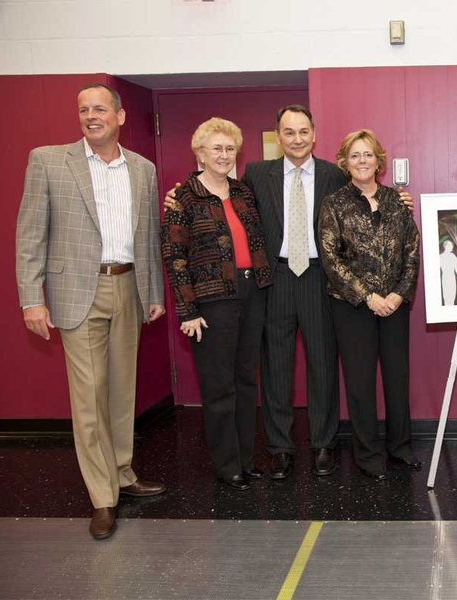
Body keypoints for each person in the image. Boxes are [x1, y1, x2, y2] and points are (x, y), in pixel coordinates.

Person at [165, 105, 412, 479]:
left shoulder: (332, 174)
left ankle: (324, 444)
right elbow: (216, 191)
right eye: (288, 132)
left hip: (321, 277)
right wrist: (180, 192)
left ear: (314, 135)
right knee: (276, 365)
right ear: (278, 137)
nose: (296, 139)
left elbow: (365, 201)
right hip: (273, 279)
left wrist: (401, 199)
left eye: (303, 132)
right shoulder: (256, 173)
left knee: (323, 364)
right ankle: (280, 447)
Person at [15, 83, 166, 540]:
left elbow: (148, 236)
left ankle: (122, 472)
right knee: (89, 397)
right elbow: (29, 234)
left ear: (120, 116)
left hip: (128, 286)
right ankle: (102, 497)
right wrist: (30, 297)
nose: (91, 115)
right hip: (77, 291)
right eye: (84, 110)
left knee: (122, 390)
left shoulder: (142, 168)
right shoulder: (48, 160)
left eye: (100, 108)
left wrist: (152, 290)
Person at [161, 118, 273, 491]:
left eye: (230, 149)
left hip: (252, 293)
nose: (224, 156)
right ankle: (227, 465)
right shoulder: (184, 198)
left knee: (245, 382)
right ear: (200, 153)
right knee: (219, 386)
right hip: (212, 301)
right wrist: (187, 310)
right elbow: (174, 255)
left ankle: (245, 458)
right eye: (216, 148)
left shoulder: (243, 192)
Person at [318, 129, 421, 480]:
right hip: (353, 307)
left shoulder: (397, 201)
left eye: (368, 155)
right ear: (345, 162)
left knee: (397, 378)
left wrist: (396, 295)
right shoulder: (334, 204)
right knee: (360, 383)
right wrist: (368, 296)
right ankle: (367, 454)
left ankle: (400, 448)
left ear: (379, 160)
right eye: (355, 155)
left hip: (394, 305)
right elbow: (331, 259)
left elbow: (411, 252)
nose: (362, 161)